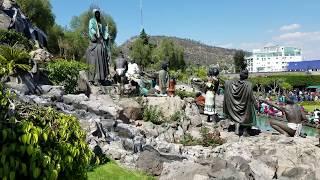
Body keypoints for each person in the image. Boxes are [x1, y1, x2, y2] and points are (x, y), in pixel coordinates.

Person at [223, 69, 258, 136]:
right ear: (247, 76)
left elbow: (227, 83)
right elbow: (251, 96)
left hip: (235, 105)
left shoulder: (233, 83)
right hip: (244, 105)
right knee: (247, 116)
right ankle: (245, 131)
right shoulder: (248, 84)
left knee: (236, 116)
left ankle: (237, 130)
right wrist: (256, 105)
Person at [86, 9, 111, 85]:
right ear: (94, 14)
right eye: (96, 13)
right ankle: (94, 78)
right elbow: (91, 28)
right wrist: (95, 34)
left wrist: (106, 36)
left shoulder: (101, 22)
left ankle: (102, 78)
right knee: (95, 55)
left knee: (103, 53)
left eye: (98, 13)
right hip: (95, 39)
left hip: (101, 40)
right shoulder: (92, 21)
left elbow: (104, 31)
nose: (97, 14)